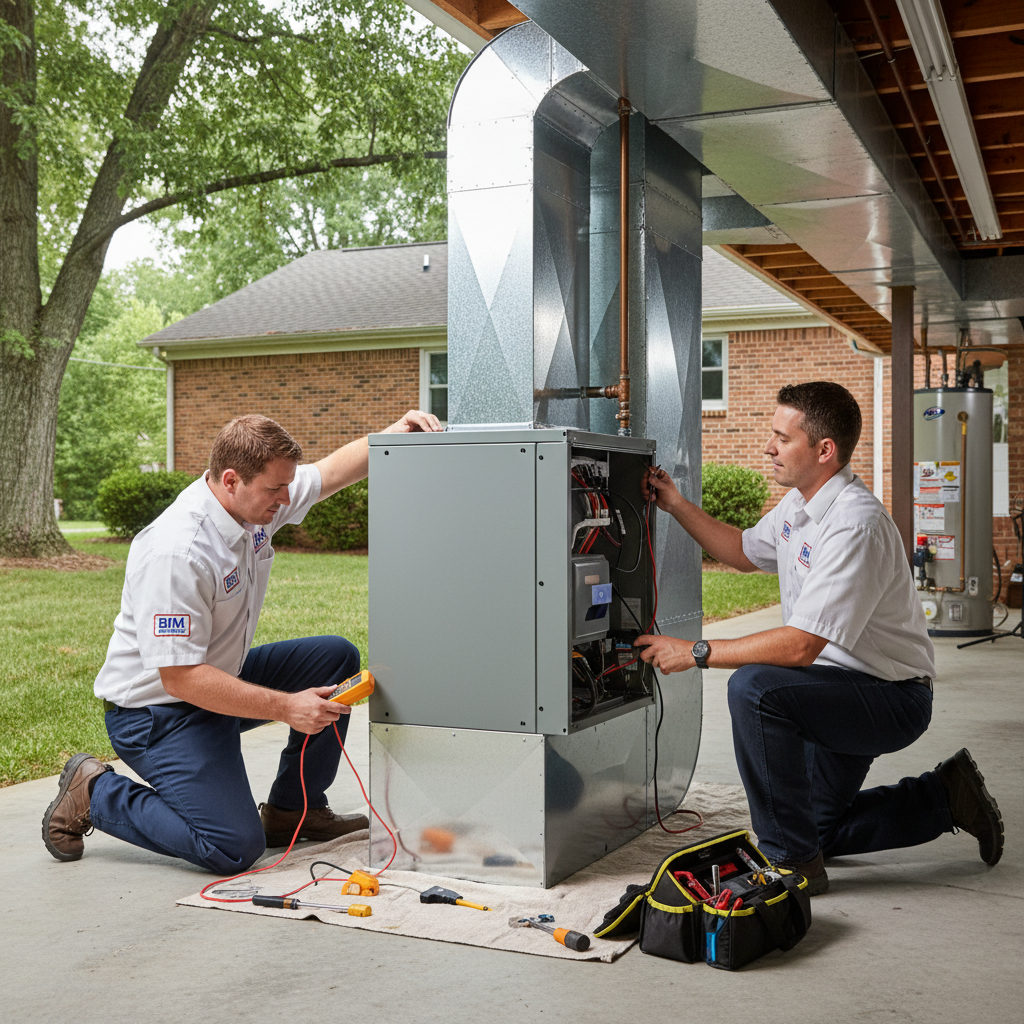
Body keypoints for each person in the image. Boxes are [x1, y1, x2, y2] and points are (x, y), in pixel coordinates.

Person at [635, 381, 1003, 895]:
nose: (769, 447)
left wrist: (695, 652)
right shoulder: (798, 508)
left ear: (824, 450)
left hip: (889, 697)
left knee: (753, 688)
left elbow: (800, 646)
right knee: (816, 828)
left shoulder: (854, 524)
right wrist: (674, 504)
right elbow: (742, 551)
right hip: (831, 689)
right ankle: (943, 797)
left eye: (782, 438)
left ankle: (791, 865)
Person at [42, 410, 441, 873]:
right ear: (232, 480)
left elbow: (331, 472)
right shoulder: (178, 551)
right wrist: (287, 707)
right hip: (157, 714)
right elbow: (181, 679)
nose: (286, 498)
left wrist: (397, 432)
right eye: (276, 489)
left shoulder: (253, 503)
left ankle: (293, 811)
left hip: (212, 680)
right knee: (231, 847)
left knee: (333, 657)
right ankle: (95, 792)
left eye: (286, 485)